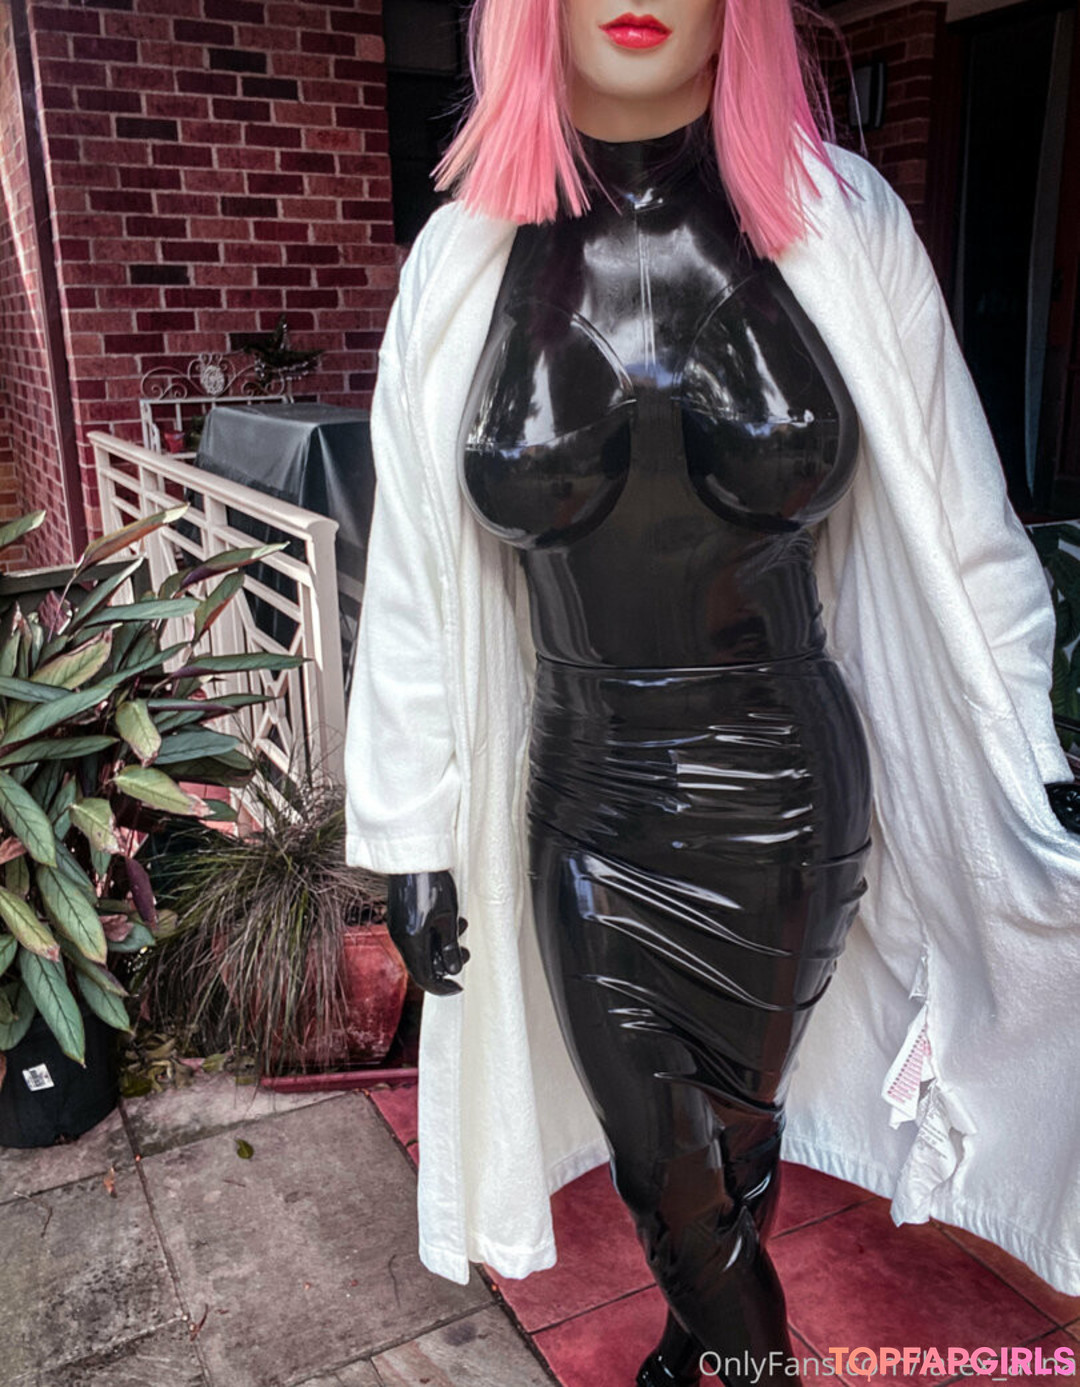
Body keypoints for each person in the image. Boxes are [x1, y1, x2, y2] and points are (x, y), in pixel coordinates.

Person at [344, 2, 1080, 1383]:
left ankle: (689, 1360)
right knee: (669, 1169)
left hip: (789, 801)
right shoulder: (463, 261)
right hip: (587, 807)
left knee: (732, 1137)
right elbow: (413, 581)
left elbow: (962, 508)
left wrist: (1031, 748)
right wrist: (409, 829)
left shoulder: (842, 223)